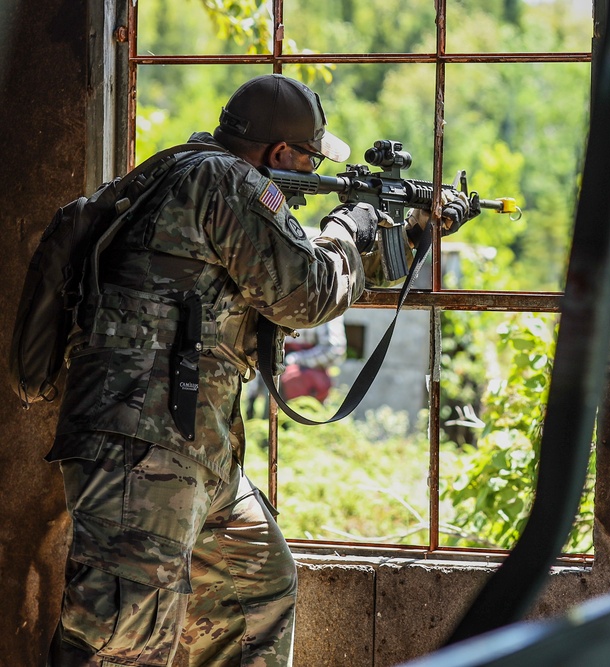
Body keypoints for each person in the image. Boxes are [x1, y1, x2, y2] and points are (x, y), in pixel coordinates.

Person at [45, 73, 476, 665]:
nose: (310, 176)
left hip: (193, 445)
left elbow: (286, 272)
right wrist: (348, 226)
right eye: (307, 157)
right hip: (143, 446)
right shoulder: (224, 181)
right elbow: (305, 294)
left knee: (256, 594)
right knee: (122, 642)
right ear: (280, 154)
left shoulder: (193, 174)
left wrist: (407, 232)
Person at [242, 317, 347, 418]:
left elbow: (334, 350)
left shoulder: (325, 303)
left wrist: (295, 359)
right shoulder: (272, 303)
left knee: (306, 430)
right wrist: (252, 395)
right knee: (270, 428)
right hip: (273, 388)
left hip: (306, 391)